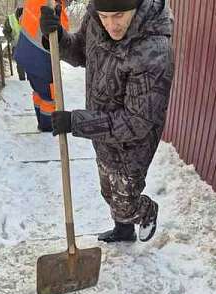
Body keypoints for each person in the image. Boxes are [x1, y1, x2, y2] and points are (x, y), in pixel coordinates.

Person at [40, 0, 173, 242]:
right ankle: (124, 231)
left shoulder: (153, 49)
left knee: (125, 204)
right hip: (102, 135)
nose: (111, 25)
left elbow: (137, 121)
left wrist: (77, 122)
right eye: (104, 16)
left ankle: (146, 211)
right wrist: (58, 37)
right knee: (108, 191)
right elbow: (81, 51)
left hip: (134, 145)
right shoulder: (95, 21)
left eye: (119, 15)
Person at [14, 0, 69, 132]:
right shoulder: (54, 7)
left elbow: (20, 14)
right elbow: (64, 37)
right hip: (42, 60)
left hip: (25, 54)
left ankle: (40, 119)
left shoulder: (31, 2)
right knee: (49, 96)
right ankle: (47, 126)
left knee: (38, 91)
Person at [3, 7, 27, 81]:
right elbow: (5, 31)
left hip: (28, 45)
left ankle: (31, 80)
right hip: (16, 45)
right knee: (20, 63)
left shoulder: (29, 17)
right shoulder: (10, 20)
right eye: (20, 20)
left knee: (29, 63)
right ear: (18, 16)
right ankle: (22, 80)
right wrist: (11, 39)